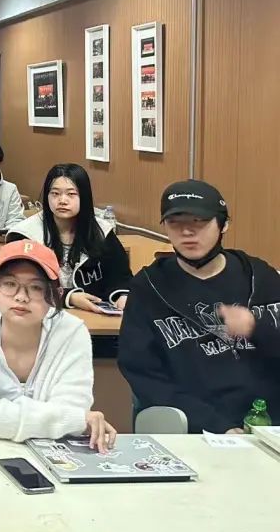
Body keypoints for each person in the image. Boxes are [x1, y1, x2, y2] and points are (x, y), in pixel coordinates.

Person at [118, 180, 280, 434]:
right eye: (175, 223)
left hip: (268, 425)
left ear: (223, 224)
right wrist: (218, 426)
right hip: (195, 429)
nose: (187, 232)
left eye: (199, 222)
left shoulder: (258, 277)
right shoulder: (149, 287)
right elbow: (145, 375)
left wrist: (256, 328)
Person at [0, 240, 117, 451]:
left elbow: (72, 408)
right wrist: (67, 420)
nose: (21, 297)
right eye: (9, 284)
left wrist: (69, 418)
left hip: (49, 452)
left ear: (56, 295)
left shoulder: (72, 332)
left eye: (36, 288)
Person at [8, 164, 132, 311]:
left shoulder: (101, 231)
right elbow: (16, 284)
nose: (62, 200)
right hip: (39, 313)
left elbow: (121, 276)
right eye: (55, 193)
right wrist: (69, 297)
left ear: (84, 197)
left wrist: (123, 295)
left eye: (71, 194)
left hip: (93, 315)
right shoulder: (25, 234)